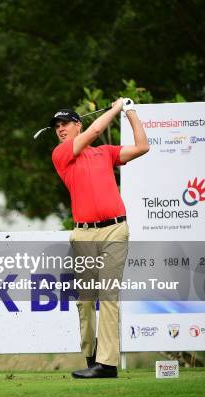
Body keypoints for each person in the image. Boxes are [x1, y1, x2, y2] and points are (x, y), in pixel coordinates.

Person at [50, 98, 148, 378]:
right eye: (57, 126)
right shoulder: (61, 154)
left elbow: (142, 146)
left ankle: (106, 364)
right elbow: (93, 132)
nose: (60, 129)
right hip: (83, 232)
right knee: (85, 300)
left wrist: (130, 112)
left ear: (76, 124)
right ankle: (91, 357)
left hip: (115, 229)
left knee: (108, 294)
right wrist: (115, 108)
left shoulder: (105, 152)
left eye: (65, 124)